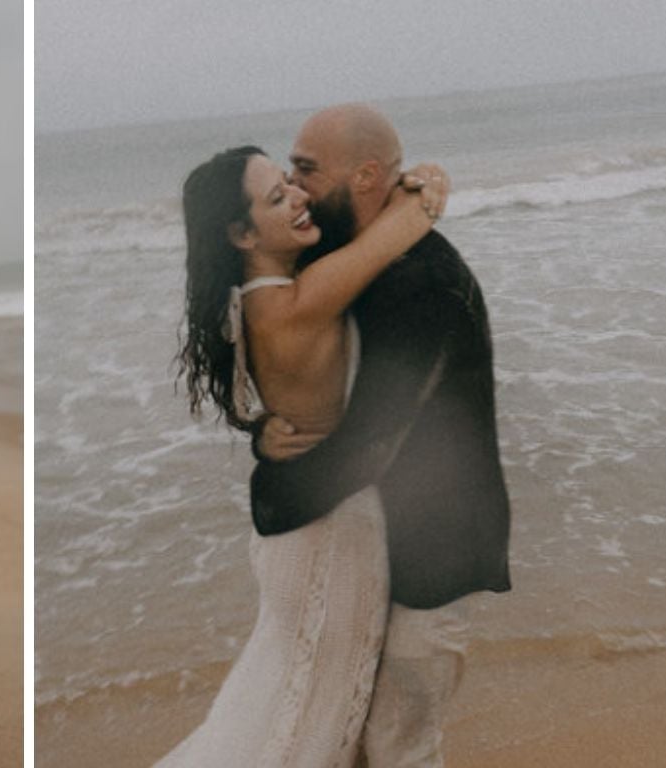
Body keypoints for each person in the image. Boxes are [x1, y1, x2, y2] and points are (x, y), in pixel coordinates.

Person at [163, 139, 446, 768]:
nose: (298, 196)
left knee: (284, 705)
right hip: (331, 532)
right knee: (311, 727)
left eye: (291, 182)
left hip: (300, 528)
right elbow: (405, 224)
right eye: (277, 197)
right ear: (242, 235)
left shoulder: (254, 300)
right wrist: (426, 178)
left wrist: (259, 427)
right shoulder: (300, 299)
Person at [252, 104, 512, 766]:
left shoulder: (421, 284)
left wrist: (271, 497)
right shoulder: (354, 253)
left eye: (306, 169)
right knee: (352, 744)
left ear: (366, 176)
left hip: (431, 558)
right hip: (378, 547)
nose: (294, 184)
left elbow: (369, 446)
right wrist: (263, 432)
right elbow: (302, 363)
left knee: (400, 749)